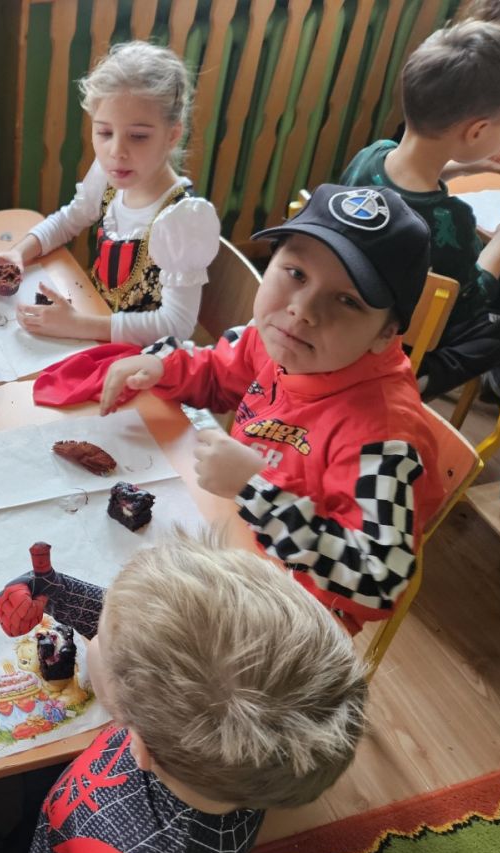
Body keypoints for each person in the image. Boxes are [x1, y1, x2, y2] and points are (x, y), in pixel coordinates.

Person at [0, 530, 368, 853]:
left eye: (101, 639)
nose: (96, 634)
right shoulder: (245, 757)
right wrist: (51, 588)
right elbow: (144, 641)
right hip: (66, 822)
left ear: (140, 744)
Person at [97, 185, 444, 634]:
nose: (302, 310)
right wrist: (163, 366)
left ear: (385, 334)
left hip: (288, 620)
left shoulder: (384, 435)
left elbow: (378, 579)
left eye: (347, 300)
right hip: (228, 544)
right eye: (296, 273)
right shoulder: (278, 339)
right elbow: (219, 372)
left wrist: (254, 489)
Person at [0, 41, 219, 346]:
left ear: (172, 135)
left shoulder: (182, 220)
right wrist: (19, 253)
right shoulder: (111, 175)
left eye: (138, 136)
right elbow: (69, 219)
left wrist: (79, 325)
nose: (116, 151)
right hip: (92, 326)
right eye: (105, 132)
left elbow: (177, 325)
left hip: (139, 358)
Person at [340, 21, 500, 400]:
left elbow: (406, 180)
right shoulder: (449, 219)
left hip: (345, 310)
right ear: (477, 132)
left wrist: (464, 166)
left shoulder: (372, 154)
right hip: (394, 339)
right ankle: (414, 379)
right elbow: (473, 297)